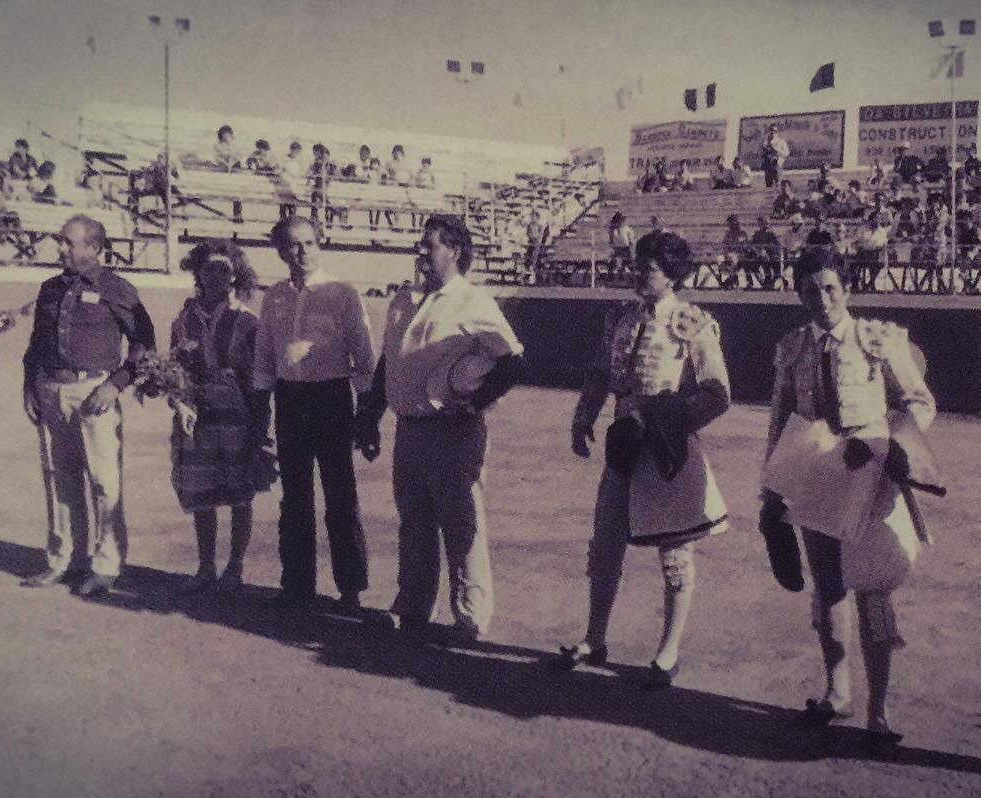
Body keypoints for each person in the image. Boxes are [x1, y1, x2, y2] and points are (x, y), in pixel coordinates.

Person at [761, 249, 937, 747]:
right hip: (816, 473)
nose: (823, 299)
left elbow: (919, 404)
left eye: (831, 288)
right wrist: (771, 490)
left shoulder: (877, 339)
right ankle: (836, 694)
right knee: (828, 587)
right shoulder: (792, 346)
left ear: (848, 290)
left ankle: (878, 713)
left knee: (873, 591)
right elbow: (778, 420)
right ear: (799, 294)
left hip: (871, 477)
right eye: (812, 291)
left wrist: (883, 443)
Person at [554, 231, 730, 688]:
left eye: (647, 267)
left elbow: (716, 393)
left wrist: (668, 419)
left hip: (667, 444)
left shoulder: (693, 323)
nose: (637, 273)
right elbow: (599, 374)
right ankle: (595, 637)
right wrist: (582, 418)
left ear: (671, 274)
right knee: (606, 541)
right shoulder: (620, 319)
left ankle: (668, 652)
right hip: (625, 440)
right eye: (637, 264)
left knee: (674, 552)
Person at [357, 215, 524, 641]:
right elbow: (388, 362)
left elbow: (512, 360)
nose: (422, 253)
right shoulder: (404, 298)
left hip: (453, 431)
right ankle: (414, 605)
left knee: (461, 523)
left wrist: (475, 403)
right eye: (421, 245)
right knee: (413, 521)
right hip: (408, 429)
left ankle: (470, 617)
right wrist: (371, 415)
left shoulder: (473, 301)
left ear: (456, 251)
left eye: (429, 246)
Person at [20, 215, 156, 597]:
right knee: (58, 479)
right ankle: (64, 560)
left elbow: (144, 344)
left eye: (68, 242)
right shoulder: (49, 289)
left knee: (102, 482)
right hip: (50, 390)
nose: (61, 248)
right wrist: (29, 385)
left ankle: (107, 565)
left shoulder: (119, 289)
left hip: (94, 392)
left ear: (94, 248)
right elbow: (35, 344)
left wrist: (115, 385)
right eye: (60, 241)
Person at [250, 217, 377, 611]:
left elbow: (364, 359)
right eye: (292, 245)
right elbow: (264, 361)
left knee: (340, 495)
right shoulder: (273, 297)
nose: (301, 252)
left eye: (308, 243)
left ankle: (351, 589)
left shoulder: (342, 294)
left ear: (320, 244)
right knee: (295, 497)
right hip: (289, 402)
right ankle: (297, 585)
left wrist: (367, 416)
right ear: (281, 251)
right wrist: (259, 415)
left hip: (332, 400)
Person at [170, 240, 265, 595]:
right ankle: (206, 565)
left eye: (224, 269)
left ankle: (235, 567)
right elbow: (175, 367)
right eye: (210, 268)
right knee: (201, 491)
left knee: (240, 492)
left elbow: (259, 376)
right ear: (199, 273)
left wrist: (258, 423)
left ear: (234, 274)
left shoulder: (247, 320)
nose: (217, 276)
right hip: (197, 413)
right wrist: (179, 400)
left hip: (236, 413)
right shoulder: (184, 319)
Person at [608, 212, 635, 282]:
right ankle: (613, 277)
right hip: (617, 249)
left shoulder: (627, 229)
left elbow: (631, 241)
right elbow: (611, 241)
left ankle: (633, 278)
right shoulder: (613, 230)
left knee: (629, 264)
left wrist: (631, 251)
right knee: (613, 263)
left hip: (625, 249)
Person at [762, 125, 791, 189]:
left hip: (777, 165)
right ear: (769, 131)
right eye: (771, 130)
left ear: (777, 132)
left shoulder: (781, 141)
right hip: (768, 165)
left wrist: (778, 152)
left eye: (775, 131)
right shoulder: (765, 142)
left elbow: (787, 153)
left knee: (778, 184)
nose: (773, 132)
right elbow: (762, 153)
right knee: (768, 185)